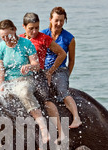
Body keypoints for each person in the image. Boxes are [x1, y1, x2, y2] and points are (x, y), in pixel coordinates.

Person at [0, 19, 49, 143]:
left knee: (24, 93)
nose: (6, 39)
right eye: (3, 37)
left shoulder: (26, 44)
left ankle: (43, 127)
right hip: (8, 81)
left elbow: (37, 65)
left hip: (25, 79)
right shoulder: (0, 48)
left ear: (14, 30)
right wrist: (0, 85)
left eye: (8, 35)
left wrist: (29, 66)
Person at [21, 12, 67, 141]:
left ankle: (60, 131)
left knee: (46, 100)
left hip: (37, 74)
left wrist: (50, 71)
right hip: (20, 75)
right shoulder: (19, 40)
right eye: (31, 28)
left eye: (37, 27)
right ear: (24, 27)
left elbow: (62, 54)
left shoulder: (44, 38)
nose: (35, 31)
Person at [42, 7, 82, 129]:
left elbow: (72, 60)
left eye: (62, 20)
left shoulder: (69, 38)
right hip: (44, 69)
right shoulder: (42, 34)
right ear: (50, 19)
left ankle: (76, 118)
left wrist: (66, 76)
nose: (59, 23)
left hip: (60, 70)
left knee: (63, 92)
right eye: (56, 20)